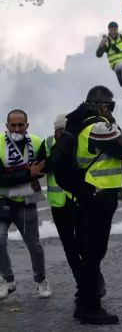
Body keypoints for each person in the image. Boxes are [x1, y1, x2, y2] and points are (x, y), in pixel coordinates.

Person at [66, 86, 122, 324]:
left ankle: (84, 304)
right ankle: (89, 307)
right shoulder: (98, 126)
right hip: (99, 194)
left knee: (90, 252)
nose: (110, 110)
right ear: (99, 104)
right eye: (109, 106)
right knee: (94, 253)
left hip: (88, 194)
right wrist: (113, 123)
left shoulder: (79, 123)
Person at [44, 114, 95, 303]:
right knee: (70, 248)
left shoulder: (79, 142)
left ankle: (93, 282)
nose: (61, 135)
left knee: (85, 245)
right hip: (59, 204)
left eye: (64, 131)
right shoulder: (49, 144)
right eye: (58, 131)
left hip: (78, 201)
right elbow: (41, 166)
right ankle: (82, 285)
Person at [0, 109, 49, 300]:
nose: (17, 128)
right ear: (7, 126)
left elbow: (42, 170)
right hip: (3, 201)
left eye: (21, 125)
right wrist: (27, 174)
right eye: (13, 125)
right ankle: (8, 280)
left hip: (27, 203)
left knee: (34, 246)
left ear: (27, 126)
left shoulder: (37, 143)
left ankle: (41, 280)